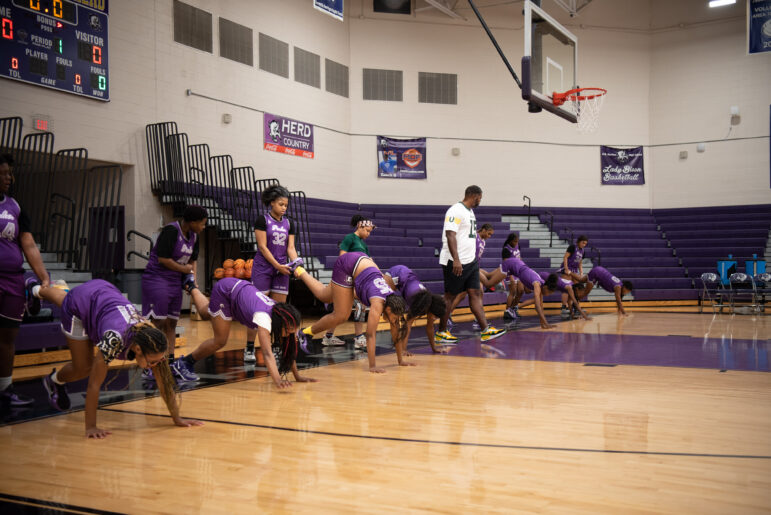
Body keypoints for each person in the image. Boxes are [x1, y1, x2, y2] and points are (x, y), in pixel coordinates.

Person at [31, 279, 201, 438]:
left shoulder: (152, 338)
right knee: (83, 368)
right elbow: (94, 384)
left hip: (103, 294)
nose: (154, 366)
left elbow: (164, 383)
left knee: (70, 297)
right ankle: (54, 381)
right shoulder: (114, 340)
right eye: (152, 362)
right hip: (84, 305)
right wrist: (91, 427)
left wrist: (176, 418)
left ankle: (36, 290)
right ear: (137, 349)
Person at [170, 277, 316, 387]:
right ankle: (183, 363)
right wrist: (277, 380)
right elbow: (266, 353)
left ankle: (190, 285)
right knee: (220, 340)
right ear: (282, 324)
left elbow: (288, 347)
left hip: (239, 290)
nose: (291, 333)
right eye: (290, 330)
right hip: (226, 292)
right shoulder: (264, 317)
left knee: (205, 313)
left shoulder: (281, 313)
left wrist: (297, 376)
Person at [293, 253, 408, 373]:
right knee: (342, 315)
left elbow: (396, 330)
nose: (392, 321)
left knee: (324, 295)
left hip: (362, 265)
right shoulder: (378, 303)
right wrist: (372, 366)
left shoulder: (393, 302)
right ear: (388, 309)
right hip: (348, 266)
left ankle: (300, 270)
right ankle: (304, 334)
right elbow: (370, 335)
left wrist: (400, 360)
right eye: (393, 318)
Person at [0, 154, 49, 407]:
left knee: (8, 336)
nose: (9, 178)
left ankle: (5, 389)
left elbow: (27, 243)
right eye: (4, 173)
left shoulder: (15, 207)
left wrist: (43, 276)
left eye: (9, 173)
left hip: (12, 279)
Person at [141, 205, 207, 379]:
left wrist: (193, 281)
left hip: (173, 282)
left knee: (172, 324)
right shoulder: (171, 230)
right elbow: (163, 259)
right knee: (158, 323)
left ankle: (169, 364)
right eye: (202, 223)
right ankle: (149, 364)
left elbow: (193, 261)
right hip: (157, 279)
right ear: (192, 222)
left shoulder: (194, 236)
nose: (203, 227)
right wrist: (184, 270)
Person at [436, 186, 505, 343]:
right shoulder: (455, 210)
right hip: (455, 261)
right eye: (480, 198)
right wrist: (457, 259)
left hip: (471, 261)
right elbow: (450, 235)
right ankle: (441, 331)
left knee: (475, 293)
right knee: (449, 297)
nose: (480, 200)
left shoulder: (470, 212)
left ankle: (485, 330)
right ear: (474, 196)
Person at [245, 184, 300, 363]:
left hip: (282, 269)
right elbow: (262, 247)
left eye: (286, 205)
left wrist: (297, 263)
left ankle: (277, 347)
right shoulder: (262, 220)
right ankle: (249, 348)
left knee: (279, 310)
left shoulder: (290, 223)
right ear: (271, 203)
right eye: (281, 204)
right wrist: (277, 265)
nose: (284, 208)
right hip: (263, 267)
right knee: (258, 309)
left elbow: (290, 248)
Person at [325, 214, 376, 349]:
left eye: (370, 232)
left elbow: (369, 263)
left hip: (358, 280)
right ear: (360, 225)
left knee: (351, 308)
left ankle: (329, 336)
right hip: (345, 279)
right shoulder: (349, 238)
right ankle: (359, 338)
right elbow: (342, 258)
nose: (368, 234)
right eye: (367, 230)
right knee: (353, 308)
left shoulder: (364, 246)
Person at [383, 265, 447, 354]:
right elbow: (407, 325)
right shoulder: (420, 304)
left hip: (406, 274)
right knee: (389, 315)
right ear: (432, 310)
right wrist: (404, 350)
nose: (435, 318)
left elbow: (430, 327)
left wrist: (434, 349)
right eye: (436, 316)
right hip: (396, 274)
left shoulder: (428, 301)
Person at [500, 257, 559, 330]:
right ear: (546, 287)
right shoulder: (537, 285)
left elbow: (540, 306)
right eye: (549, 292)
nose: (548, 294)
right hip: (513, 264)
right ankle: (511, 309)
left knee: (523, 291)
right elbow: (537, 307)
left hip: (518, 268)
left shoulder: (542, 285)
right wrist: (546, 323)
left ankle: (513, 308)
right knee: (490, 282)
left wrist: (543, 324)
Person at [517, 272, 591, 320]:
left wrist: (572, 315)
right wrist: (585, 316)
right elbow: (574, 301)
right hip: (545, 277)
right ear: (577, 289)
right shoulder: (570, 288)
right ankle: (516, 308)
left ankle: (524, 287)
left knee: (536, 298)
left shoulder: (572, 288)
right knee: (537, 300)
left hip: (547, 277)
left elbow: (569, 303)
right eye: (581, 292)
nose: (581, 295)